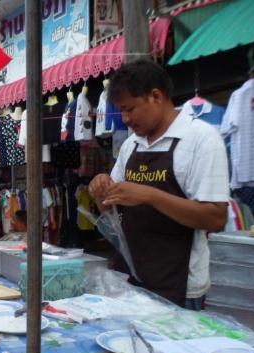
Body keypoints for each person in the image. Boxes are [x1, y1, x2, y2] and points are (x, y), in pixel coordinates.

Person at [88, 59, 229, 309]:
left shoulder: (201, 139)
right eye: (120, 111)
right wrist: (101, 189)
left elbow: (215, 218)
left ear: (155, 96)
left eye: (129, 109)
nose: (125, 118)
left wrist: (149, 195)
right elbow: (111, 215)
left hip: (178, 286)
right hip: (128, 282)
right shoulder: (132, 144)